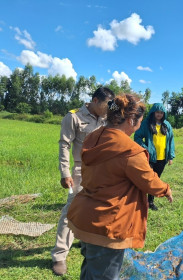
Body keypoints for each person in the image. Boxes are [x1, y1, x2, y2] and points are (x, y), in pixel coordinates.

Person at [67, 94, 173, 280]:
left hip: (86, 216)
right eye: (139, 121)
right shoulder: (129, 151)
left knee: (90, 269)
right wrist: (165, 189)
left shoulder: (93, 137)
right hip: (109, 224)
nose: (139, 125)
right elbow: (148, 180)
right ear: (131, 120)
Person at [51, 87, 115, 276]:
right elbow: (64, 144)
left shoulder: (107, 119)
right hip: (81, 170)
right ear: (95, 100)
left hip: (102, 171)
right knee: (72, 211)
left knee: (95, 208)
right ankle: (59, 256)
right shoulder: (74, 117)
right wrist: (64, 172)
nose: (108, 109)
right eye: (106, 105)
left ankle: (85, 241)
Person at [134, 103, 175, 211]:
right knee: (146, 180)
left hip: (162, 159)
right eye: (157, 112)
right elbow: (137, 137)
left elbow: (171, 141)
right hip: (150, 158)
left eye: (161, 113)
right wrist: (145, 148)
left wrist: (170, 156)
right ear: (153, 112)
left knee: (156, 180)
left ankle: (150, 201)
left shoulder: (167, 125)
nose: (159, 114)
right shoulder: (146, 124)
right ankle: (140, 201)